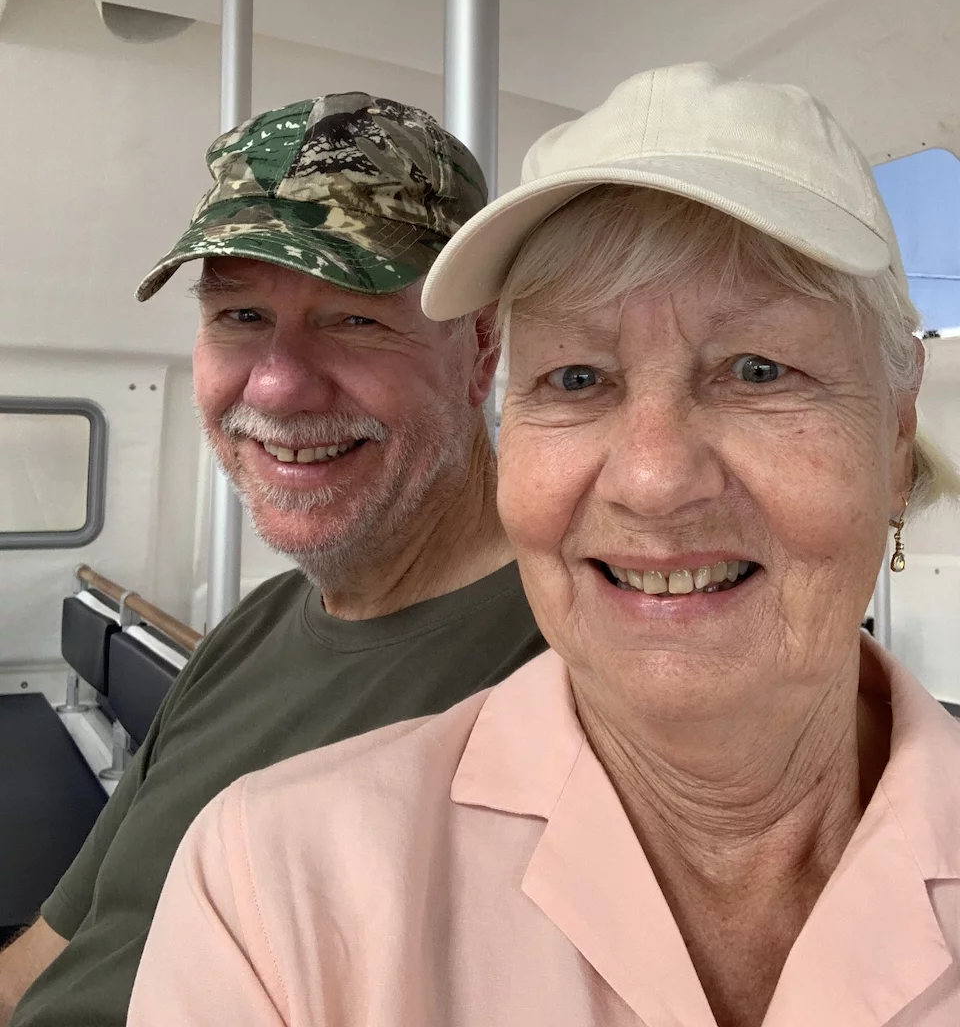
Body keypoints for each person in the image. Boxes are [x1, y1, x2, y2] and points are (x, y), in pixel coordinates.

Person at [130, 63, 960, 1027]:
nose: (652, 478)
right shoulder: (277, 885)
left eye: (758, 370)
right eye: (575, 378)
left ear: (895, 439)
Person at [0, 93, 546, 1027]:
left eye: (355, 319)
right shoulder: (252, 631)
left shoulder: (565, 672)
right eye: (241, 314)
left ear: (482, 349)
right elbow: (59, 950)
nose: (279, 384)